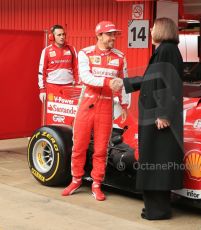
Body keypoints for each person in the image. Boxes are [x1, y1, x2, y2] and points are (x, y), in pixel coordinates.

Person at [122, 17, 184, 220]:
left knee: (157, 162)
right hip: (153, 116)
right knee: (154, 161)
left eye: (153, 27)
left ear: (162, 30)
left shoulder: (167, 50)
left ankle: (158, 210)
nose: (150, 29)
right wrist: (126, 83)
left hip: (158, 118)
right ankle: (154, 207)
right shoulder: (163, 50)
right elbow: (152, 78)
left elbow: (170, 82)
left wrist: (163, 114)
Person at [61, 21, 128, 201]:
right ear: (99, 35)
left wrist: (124, 105)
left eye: (114, 34)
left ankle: (96, 184)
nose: (113, 38)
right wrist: (107, 82)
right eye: (109, 34)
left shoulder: (120, 57)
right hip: (86, 105)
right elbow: (85, 77)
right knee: (79, 145)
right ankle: (75, 180)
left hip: (106, 107)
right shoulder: (85, 53)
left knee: (101, 149)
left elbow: (124, 83)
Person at [38, 24, 78, 102]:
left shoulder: (72, 49)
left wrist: (77, 85)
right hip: (52, 88)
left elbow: (77, 69)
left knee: (68, 112)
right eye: (59, 35)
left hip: (69, 87)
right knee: (51, 113)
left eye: (63, 34)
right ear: (52, 37)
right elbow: (41, 71)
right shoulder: (46, 51)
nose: (62, 37)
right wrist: (42, 90)